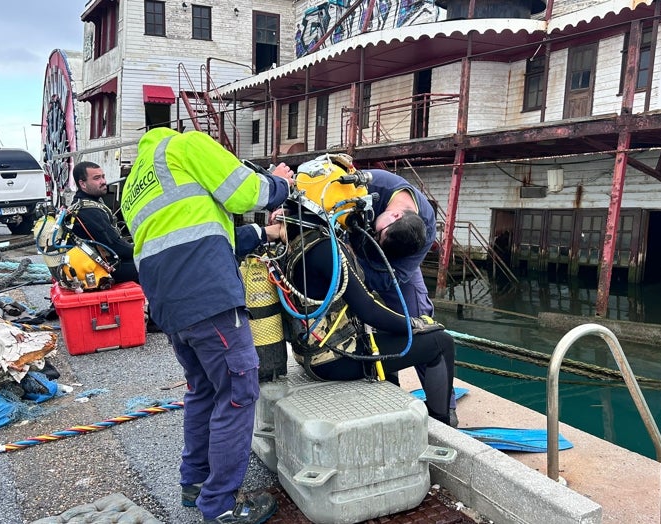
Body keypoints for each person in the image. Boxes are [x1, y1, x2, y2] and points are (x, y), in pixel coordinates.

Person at [120, 128, 293, 524]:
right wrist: (279, 181)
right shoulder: (184, 145)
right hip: (209, 296)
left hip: (171, 305)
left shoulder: (134, 184)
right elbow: (246, 192)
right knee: (238, 392)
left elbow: (208, 234)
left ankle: (194, 483)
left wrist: (264, 234)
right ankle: (221, 506)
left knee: (202, 389)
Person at [271, 160, 456, 425]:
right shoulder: (330, 248)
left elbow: (392, 280)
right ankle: (443, 421)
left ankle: (399, 393)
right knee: (440, 341)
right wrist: (414, 324)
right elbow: (368, 308)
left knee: (405, 323)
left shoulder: (297, 236)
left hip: (316, 349)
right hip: (335, 357)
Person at [343, 163, 459, 426]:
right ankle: (386, 382)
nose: (375, 232)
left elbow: (387, 280)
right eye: (378, 232)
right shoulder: (370, 186)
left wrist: (357, 278)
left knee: (422, 324)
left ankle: (444, 410)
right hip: (349, 251)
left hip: (392, 269)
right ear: (394, 215)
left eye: (378, 234)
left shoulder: (425, 228)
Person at [71, 161, 139, 283]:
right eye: (97, 178)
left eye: (103, 176)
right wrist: (141, 250)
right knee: (158, 265)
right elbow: (116, 247)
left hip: (99, 264)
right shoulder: (89, 211)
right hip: (107, 269)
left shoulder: (81, 203)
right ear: (83, 184)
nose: (103, 181)